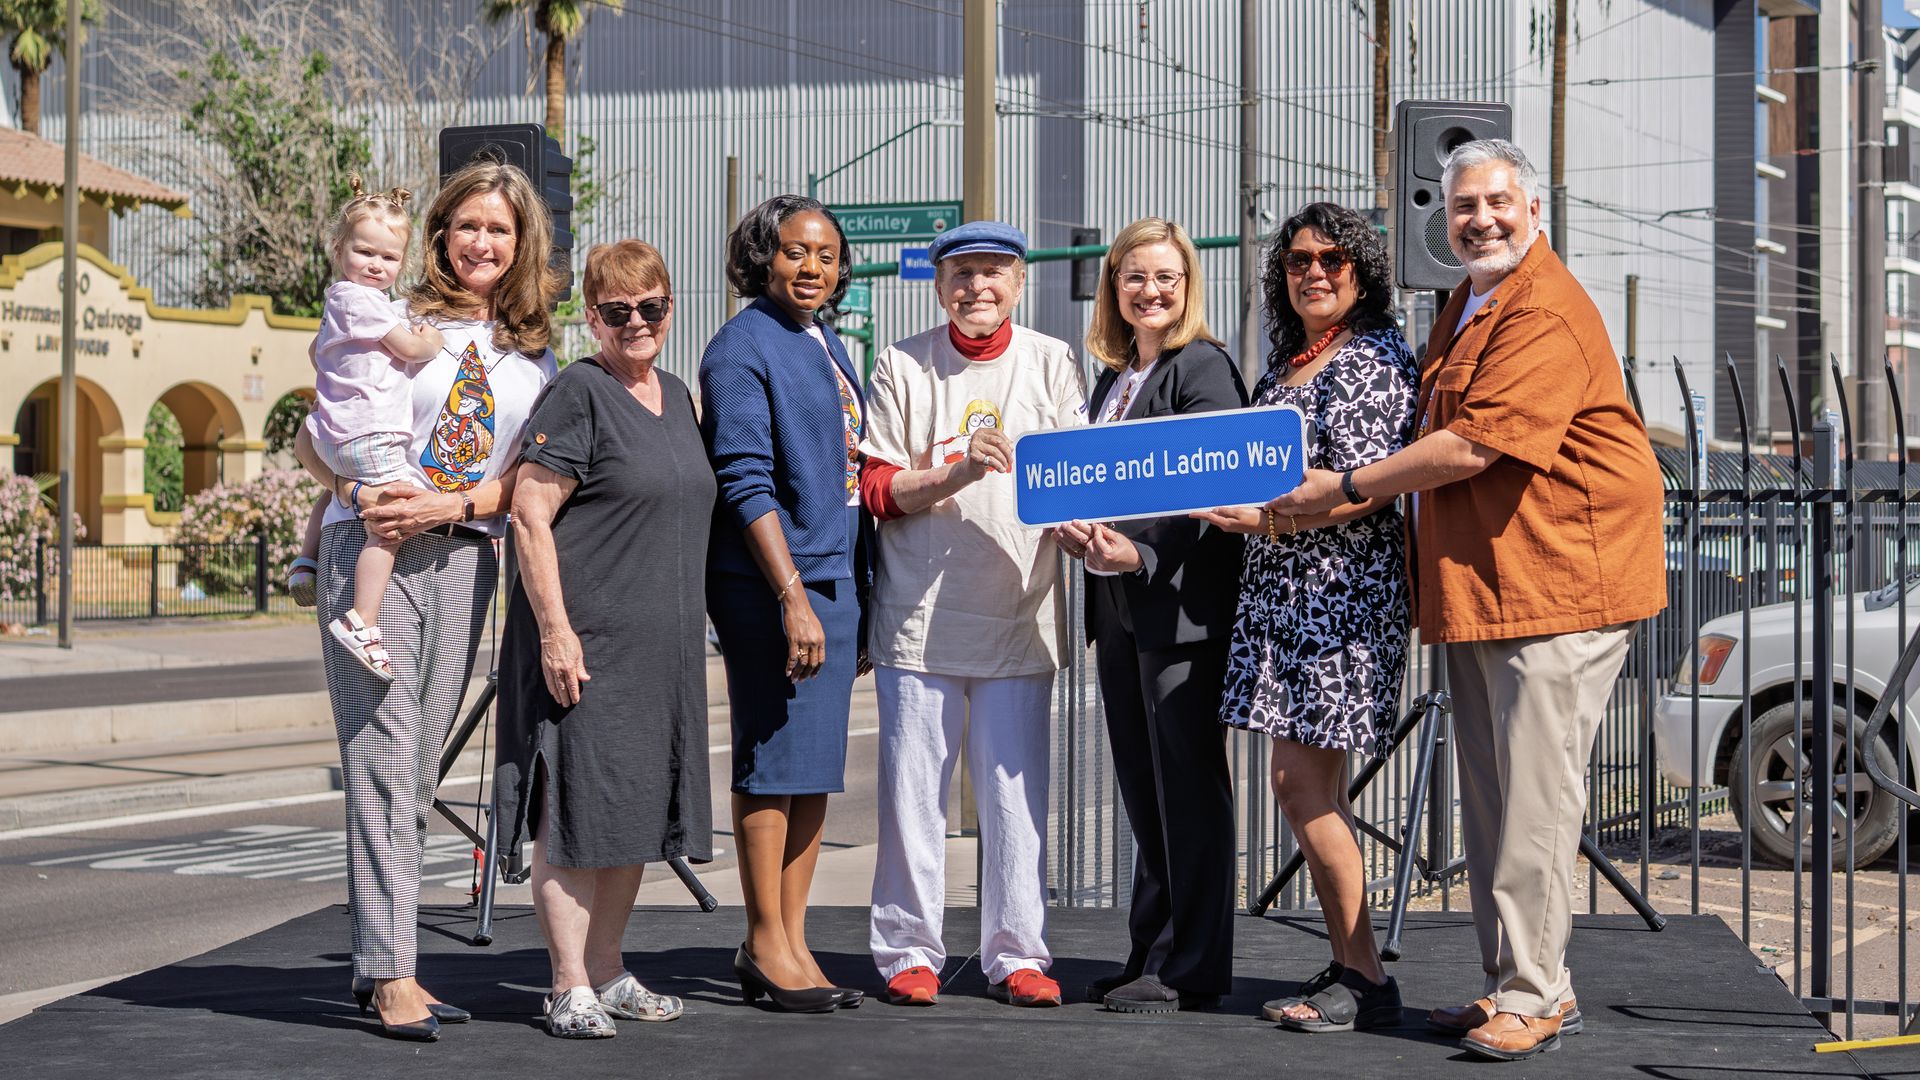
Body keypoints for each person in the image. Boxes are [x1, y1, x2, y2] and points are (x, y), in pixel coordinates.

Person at [1267, 139, 1666, 1061]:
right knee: (1491, 806)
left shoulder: (1546, 309)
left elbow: (1478, 445)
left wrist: (1348, 485)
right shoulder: (1468, 302)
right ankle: (1509, 989)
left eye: (1497, 202)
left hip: (1560, 589)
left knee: (1534, 806)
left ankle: (1537, 993)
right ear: (1442, 221)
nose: (1480, 219)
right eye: (1462, 208)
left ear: (1535, 209)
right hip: (1491, 592)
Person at [307, 160, 562, 1041]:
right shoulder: (388, 316)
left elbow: (531, 482)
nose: (481, 242)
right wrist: (349, 480)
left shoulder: (533, 353)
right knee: (382, 758)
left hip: (467, 558)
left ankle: (380, 958)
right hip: (373, 549)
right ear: (440, 235)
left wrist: (451, 504)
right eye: (466, 226)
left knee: (416, 774)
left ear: (521, 241)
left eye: (499, 229)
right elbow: (322, 423)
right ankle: (390, 975)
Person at [1192, 202, 1417, 1032]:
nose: (1313, 271)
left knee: (1298, 785)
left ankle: (1364, 977)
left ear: (1363, 271)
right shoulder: (1292, 355)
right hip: (1282, 595)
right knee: (1307, 787)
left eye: (1331, 258)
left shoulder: (1374, 356)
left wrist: (1265, 522)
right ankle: (1351, 963)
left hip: (1337, 599)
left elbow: (1364, 490)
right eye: (1296, 260)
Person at [858, 221, 1082, 1010]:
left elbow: (1075, 480)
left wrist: (1085, 523)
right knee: (913, 797)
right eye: (962, 273)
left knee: (1014, 800)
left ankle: (1017, 952)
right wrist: (955, 473)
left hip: (1018, 613)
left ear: (1019, 283)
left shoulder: (1052, 361)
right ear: (938, 282)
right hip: (919, 618)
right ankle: (908, 951)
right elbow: (879, 490)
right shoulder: (902, 362)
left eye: (993, 272)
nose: (977, 287)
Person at [494, 240, 713, 1037]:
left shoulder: (679, 396)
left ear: (669, 308)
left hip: (664, 649)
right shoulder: (578, 394)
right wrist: (555, 630)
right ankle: (565, 984)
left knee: (634, 814)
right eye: (617, 311)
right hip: (586, 643)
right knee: (576, 814)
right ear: (592, 316)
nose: (636, 323)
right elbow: (529, 513)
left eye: (650, 307)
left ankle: (610, 969)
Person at [1054, 217, 1245, 1014]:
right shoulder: (1114, 380)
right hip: (1120, 611)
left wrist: (1141, 555)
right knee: (1144, 789)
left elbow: (1216, 484)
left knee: (1187, 792)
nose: (1151, 290)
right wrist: (1078, 528)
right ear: (1114, 287)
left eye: (1166, 276)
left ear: (1187, 285)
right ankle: (1150, 951)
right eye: (1135, 277)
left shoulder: (1201, 367)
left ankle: (1190, 965)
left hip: (1178, 613)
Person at [700, 194, 870, 1014]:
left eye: (827, 255)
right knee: (771, 765)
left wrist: (850, 594)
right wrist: (793, 597)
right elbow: (744, 480)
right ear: (763, 256)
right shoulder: (740, 348)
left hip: (828, 580)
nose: (813, 267)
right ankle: (764, 941)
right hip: (774, 588)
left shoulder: (824, 339)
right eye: (797, 252)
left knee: (812, 773)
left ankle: (793, 941)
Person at [286, 180, 444, 658]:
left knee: (328, 491)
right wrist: (431, 340)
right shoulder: (356, 299)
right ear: (339, 249)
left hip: (336, 432)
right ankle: (362, 620)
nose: (376, 265)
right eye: (364, 252)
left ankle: (305, 561)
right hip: (370, 431)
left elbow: (316, 353)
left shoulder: (340, 306)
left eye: (389, 258)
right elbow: (413, 348)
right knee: (389, 521)